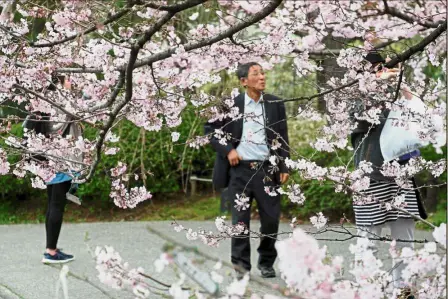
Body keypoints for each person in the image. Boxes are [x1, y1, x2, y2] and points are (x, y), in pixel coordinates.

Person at [204, 62, 290, 279]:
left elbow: (282, 135)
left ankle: (267, 262)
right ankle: (241, 266)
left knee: (271, 219)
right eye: (256, 74)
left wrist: (284, 164)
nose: (262, 77)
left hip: (267, 170)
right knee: (239, 222)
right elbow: (210, 130)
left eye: (263, 73)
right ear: (243, 81)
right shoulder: (229, 104)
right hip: (239, 170)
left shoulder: (274, 103)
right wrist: (228, 150)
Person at [350, 52, 426, 295]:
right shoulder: (353, 96)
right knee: (368, 239)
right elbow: (360, 116)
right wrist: (378, 85)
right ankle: (367, 288)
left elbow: (418, 112)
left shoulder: (395, 93)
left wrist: (400, 83)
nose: (379, 71)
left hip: (401, 175)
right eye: (373, 68)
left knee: (404, 238)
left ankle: (402, 290)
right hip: (370, 175)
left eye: (382, 67)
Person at [23, 77, 83, 264]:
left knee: (52, 204)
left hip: (48, 159)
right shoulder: (62, 101)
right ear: (60, 81)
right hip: (61, 160)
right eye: (69, 78)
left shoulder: (44, 99)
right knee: (57, 205)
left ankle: (52, 248)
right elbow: (69, 121)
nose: (73, 81)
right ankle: (50, 252)